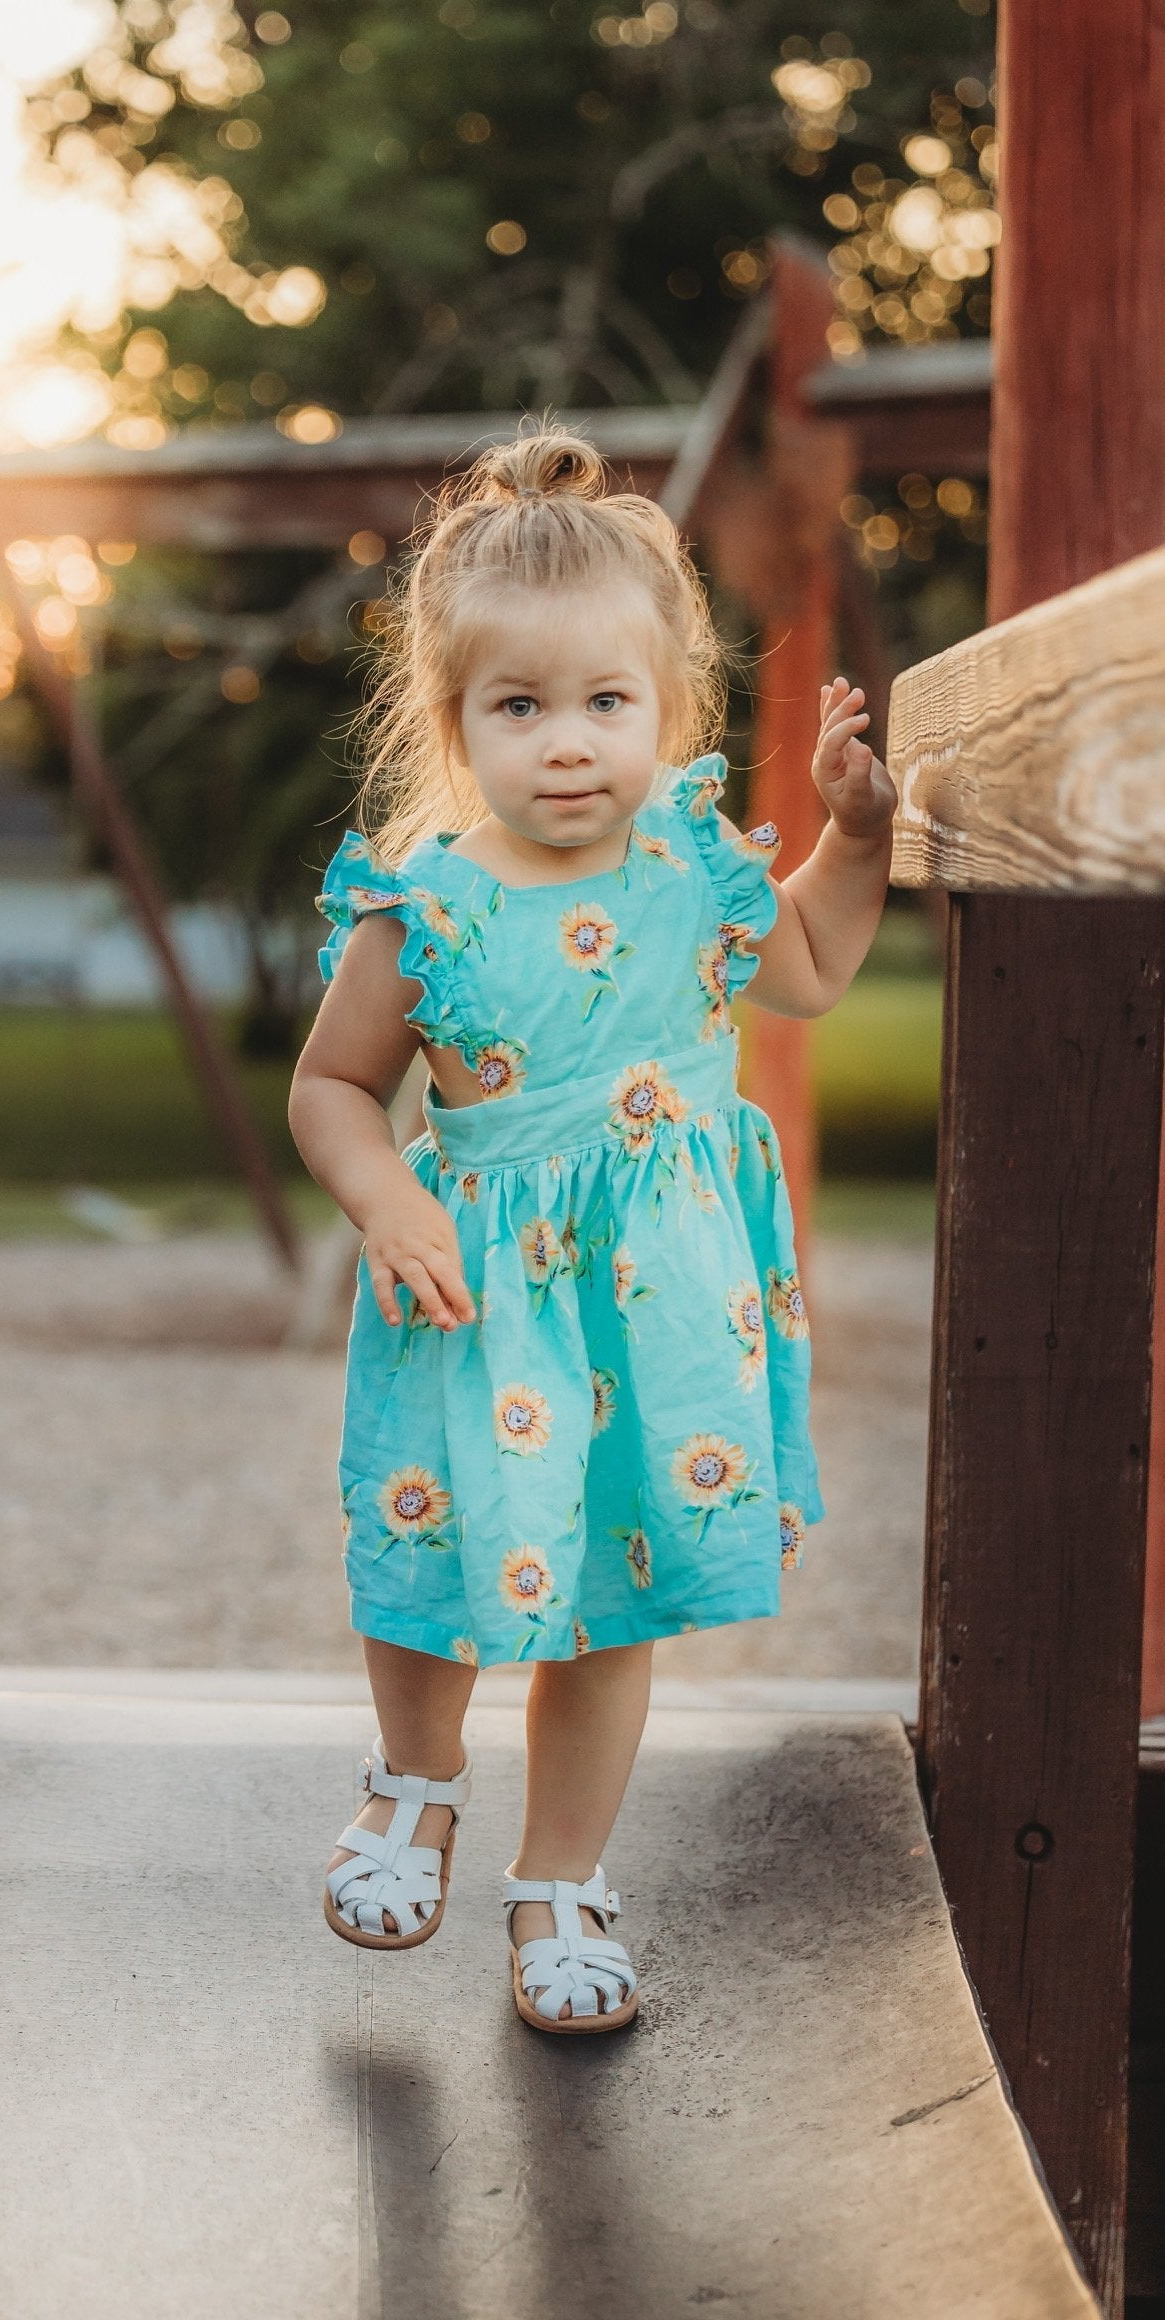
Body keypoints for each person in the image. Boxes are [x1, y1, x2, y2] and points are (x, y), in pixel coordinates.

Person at [289, 429, 896, 2035]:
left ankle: (561, 1881)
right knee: (436, 1558)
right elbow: (335, 1088)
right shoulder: (425, 907)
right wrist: (388, 1188)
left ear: (669, 711)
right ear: (454, 721)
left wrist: (860, 833)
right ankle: (413, 1780)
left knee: (612, 1595)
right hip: (475, 1296)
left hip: (659, 1308)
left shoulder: (698, 870)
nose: (569, 745)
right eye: (521, 706)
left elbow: (818, 967)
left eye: (606, 704)